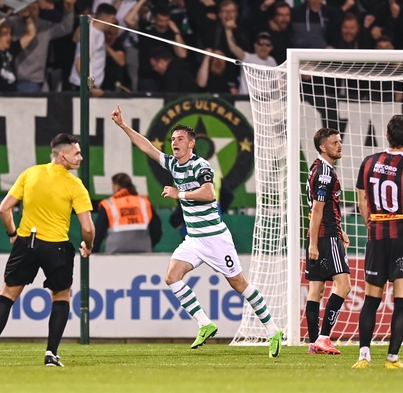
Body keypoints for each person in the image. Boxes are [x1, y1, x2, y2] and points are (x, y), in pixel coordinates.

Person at [110, 105, 283, 357]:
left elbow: (209, 192)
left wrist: (178, 193)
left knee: (240, 285)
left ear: (191, 143)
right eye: (172, 139)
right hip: (194, 239)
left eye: (180, 139)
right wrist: (124, 126)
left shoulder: (200, 165)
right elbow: (148, 147)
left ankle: (272, 330)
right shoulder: (172, 164)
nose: (174, 143)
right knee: (171, 277)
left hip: (215, 238)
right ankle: (205, 323)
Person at [0, 133, 95, 368]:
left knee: (7, 295)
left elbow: (5, 209)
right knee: (61, 296)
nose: (81, 158)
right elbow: (87, 227)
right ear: (62, 155)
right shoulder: (75, 185)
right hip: (57, 246)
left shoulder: (31, 173)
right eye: (77, 153)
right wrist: (89, 244)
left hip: (27, 242)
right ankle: (51, 355)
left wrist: (13, 235)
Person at [352, 115, 403, 369]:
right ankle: (392, 358)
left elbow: (362, 200)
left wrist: (372, 223)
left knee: (371, 299)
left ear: (386, 135)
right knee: (401, 300)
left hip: (376, 236)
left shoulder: (368, 162)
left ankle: (364, 356)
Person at [305, 128, 351, 355]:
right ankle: (323, 337)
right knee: (344, 286)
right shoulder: (324, 172)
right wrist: (315, 243)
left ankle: (314, 342)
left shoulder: (317, 167)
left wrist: (339, 229)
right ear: (323, 147)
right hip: (325, 236)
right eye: (334, 143)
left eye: (340, 141)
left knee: (316, 289)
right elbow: (317, 209)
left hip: (323, 234)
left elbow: (323, 207)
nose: (339, 146)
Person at [93, 173, 162, 254]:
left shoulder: (109, 204)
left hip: (114, 252)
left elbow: (98, 233)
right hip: (143, 250)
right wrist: (148, 244)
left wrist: (93, 253)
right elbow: (156, 229)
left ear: (116, 185)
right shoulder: (143, 202)